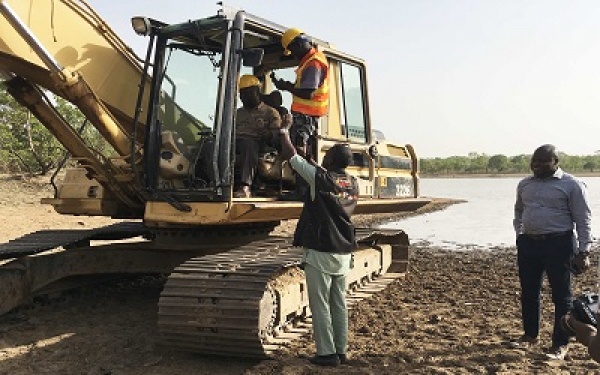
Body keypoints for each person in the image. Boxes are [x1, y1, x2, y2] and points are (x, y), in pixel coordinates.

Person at [278, 125, 358, 367]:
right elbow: (323, 173)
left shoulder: (319, 178)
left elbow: (291, 158)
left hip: (322, 250)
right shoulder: (352, 182)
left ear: (331, 159)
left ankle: (326, 353)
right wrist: (310, 158)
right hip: (343, 250)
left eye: (328, 153)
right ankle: (340, 350)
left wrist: (283, 132)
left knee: (320, 304)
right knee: (338, 302)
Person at [511, 144, 592, 360]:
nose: (536, 166)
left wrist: (584, 251)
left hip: (559, 244)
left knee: (562, 295)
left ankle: (560, 345)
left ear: (556, 162)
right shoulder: (525, 184)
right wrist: (520, 235)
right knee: (529, 292)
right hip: (529, 244)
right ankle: (529, 335)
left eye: (543, 162)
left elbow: (583, 218)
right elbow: (519, 210)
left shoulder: (572, 184)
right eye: (534, 162)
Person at [273, 27, 330, 198]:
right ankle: (302, 189)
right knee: (302, 152)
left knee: (299, 152)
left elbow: (308, 92)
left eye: (292, 50)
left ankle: (301, 191)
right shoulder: (310, 61)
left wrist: (286, 87)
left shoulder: (313, 62)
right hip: (306, 116)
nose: (293, 54)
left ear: (298, 44)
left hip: (305, 117)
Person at [234, 75, 282, 198]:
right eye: (241, 93)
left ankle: (245, 186)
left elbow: (277, 137)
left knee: (248, 143)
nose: (242, 97)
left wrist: (268, 133)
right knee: (210, 144)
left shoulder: (270, 112)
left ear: (256, 92)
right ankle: (213, 183)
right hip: (235, 142)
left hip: (258, 144)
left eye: (247, 93)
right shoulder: (237, 113)